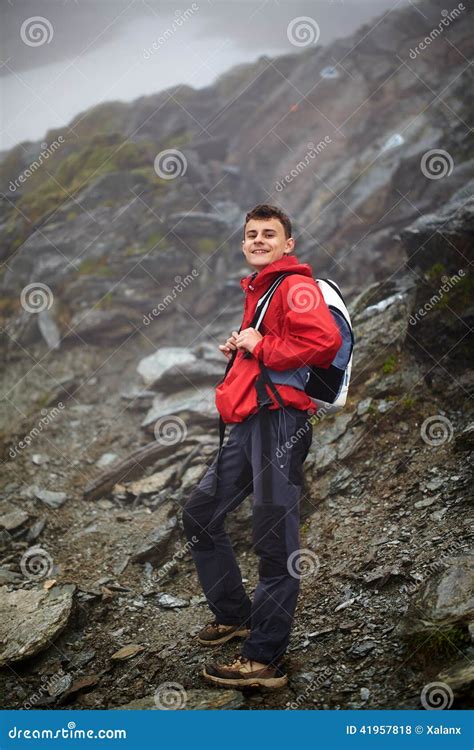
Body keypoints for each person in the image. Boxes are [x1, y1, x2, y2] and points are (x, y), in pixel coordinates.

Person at [182, 203, 342, 688]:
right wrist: (245, 347)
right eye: (251, 234)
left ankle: (264, 659)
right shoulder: (263, 289)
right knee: (200, 515)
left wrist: (261, 347)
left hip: (280, 424)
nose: (257, 240)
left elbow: (325, 342)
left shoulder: (293, 286)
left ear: (287, 244)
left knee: (274, 541)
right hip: (252, 423)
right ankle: (236, 613)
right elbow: (276, 346)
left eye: (268, 234)